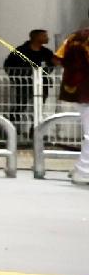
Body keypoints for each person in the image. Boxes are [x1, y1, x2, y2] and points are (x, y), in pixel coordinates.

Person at [56, 12, 89, 186]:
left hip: (78, 90)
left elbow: (58, 58)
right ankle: (84, 171)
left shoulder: (75, 37)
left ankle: (81, 168)